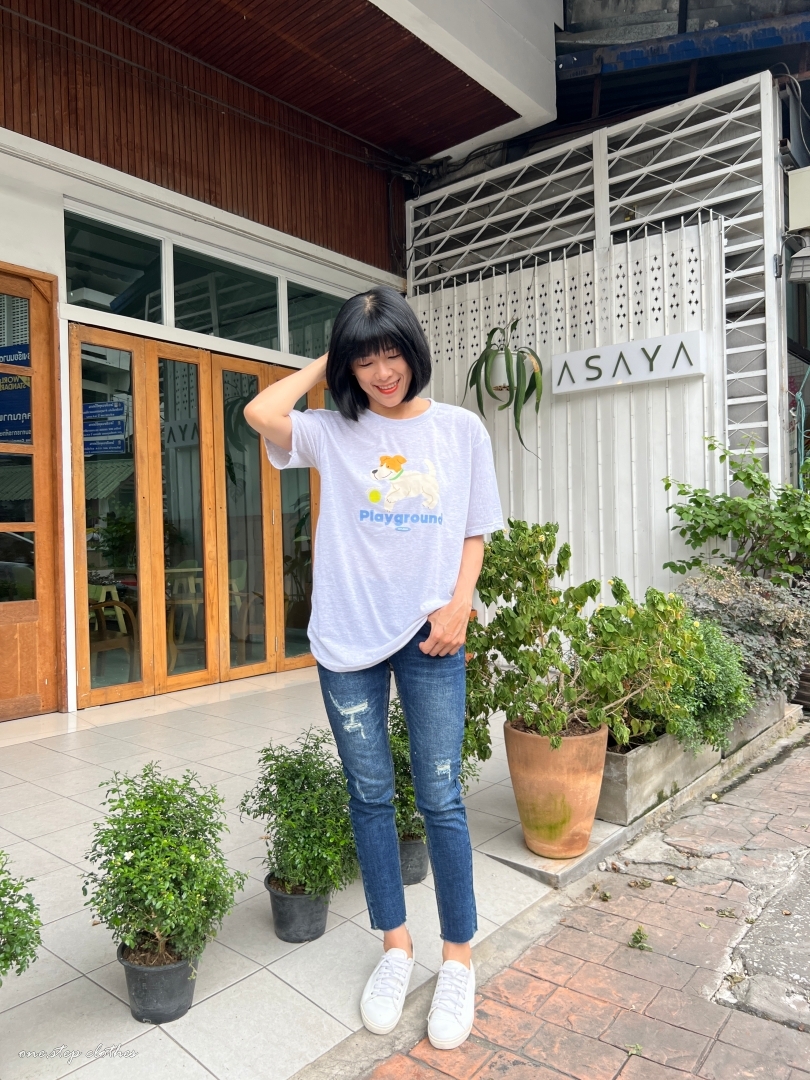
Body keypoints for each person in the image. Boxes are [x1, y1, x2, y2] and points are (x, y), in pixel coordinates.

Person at [244, 285, 503, 1050]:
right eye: (365, 361)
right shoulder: (332, 430)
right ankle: (396, 946)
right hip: (346, 640)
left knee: (441, 797)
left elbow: (475, 528)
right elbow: (260, 412)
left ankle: (458, 959)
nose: (383, 372)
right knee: (369, 795)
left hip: (431, 636)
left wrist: (459, 606)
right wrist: (330, 359)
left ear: (413, 351)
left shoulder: (459, 430)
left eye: (392, 353)